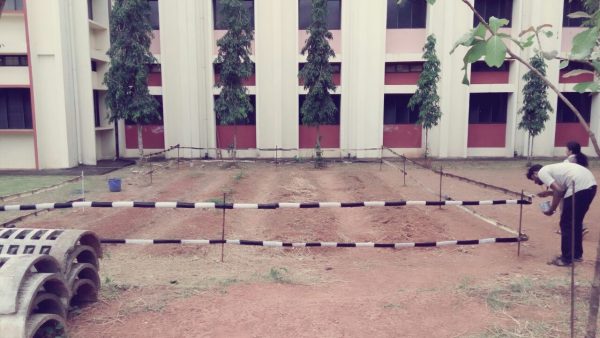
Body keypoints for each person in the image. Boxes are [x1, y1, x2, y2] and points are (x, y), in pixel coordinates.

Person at [527, 162, 596, 266]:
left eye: (533, 179)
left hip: (579, 188)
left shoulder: (542, 172)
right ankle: (576, 255)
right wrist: (550, 193)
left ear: (535, 173)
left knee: (566, 223)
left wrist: (552, 209)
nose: (535, 182)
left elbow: (559, 191)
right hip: (590, 187)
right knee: (576, 222)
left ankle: (566, 259)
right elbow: (562, 190)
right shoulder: (555, 170)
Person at [557, 141, 590, 235]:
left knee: (564, 209)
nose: (565, 150)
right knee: (576, 210)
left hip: (570, 187)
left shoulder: (567, 162)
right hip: (582, 187)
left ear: (570, 151)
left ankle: (567, 229)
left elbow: (562, 176)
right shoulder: (582, 160)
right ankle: (581, 227)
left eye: (566, 148)